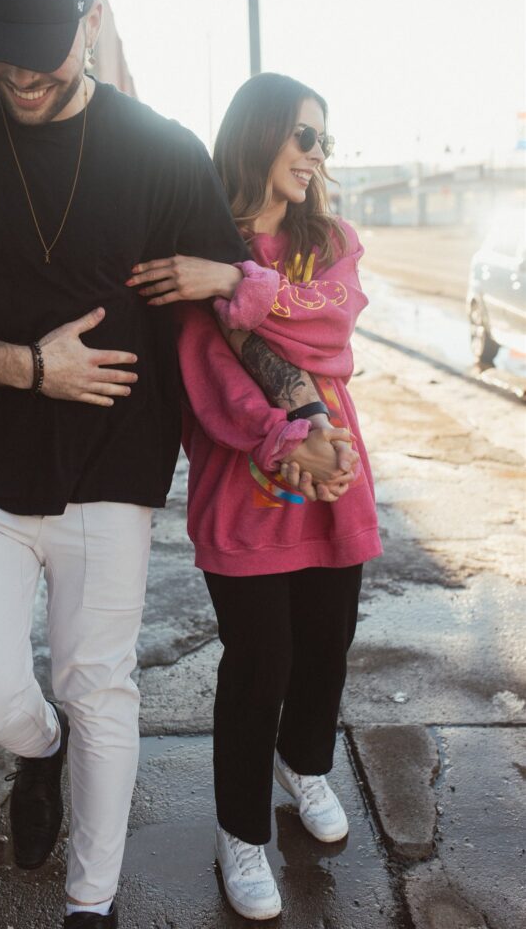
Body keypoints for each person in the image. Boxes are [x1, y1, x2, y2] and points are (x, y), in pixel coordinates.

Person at [0, 0, 353, 928]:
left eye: (41, 48)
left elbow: (227, 309)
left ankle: (92, 901)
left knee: (100, 684)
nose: (19, 73)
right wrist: (33, 367)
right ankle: (36, 753)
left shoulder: (158, 150)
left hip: (114, 468)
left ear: (91, 19)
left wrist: (298, 405)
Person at [131, 72, 382, 920]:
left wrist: (240, 282)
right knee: (258, 666)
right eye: (300, 136)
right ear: (259, 134)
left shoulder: (328, 242)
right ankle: (239, 833)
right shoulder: (202, 240)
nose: (314, 155)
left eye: (323, 140)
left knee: (326, 642)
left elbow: (328, 321)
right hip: (248, 481)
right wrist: (285, 440)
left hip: (333, 475)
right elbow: (207, 370)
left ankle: (304, 766)